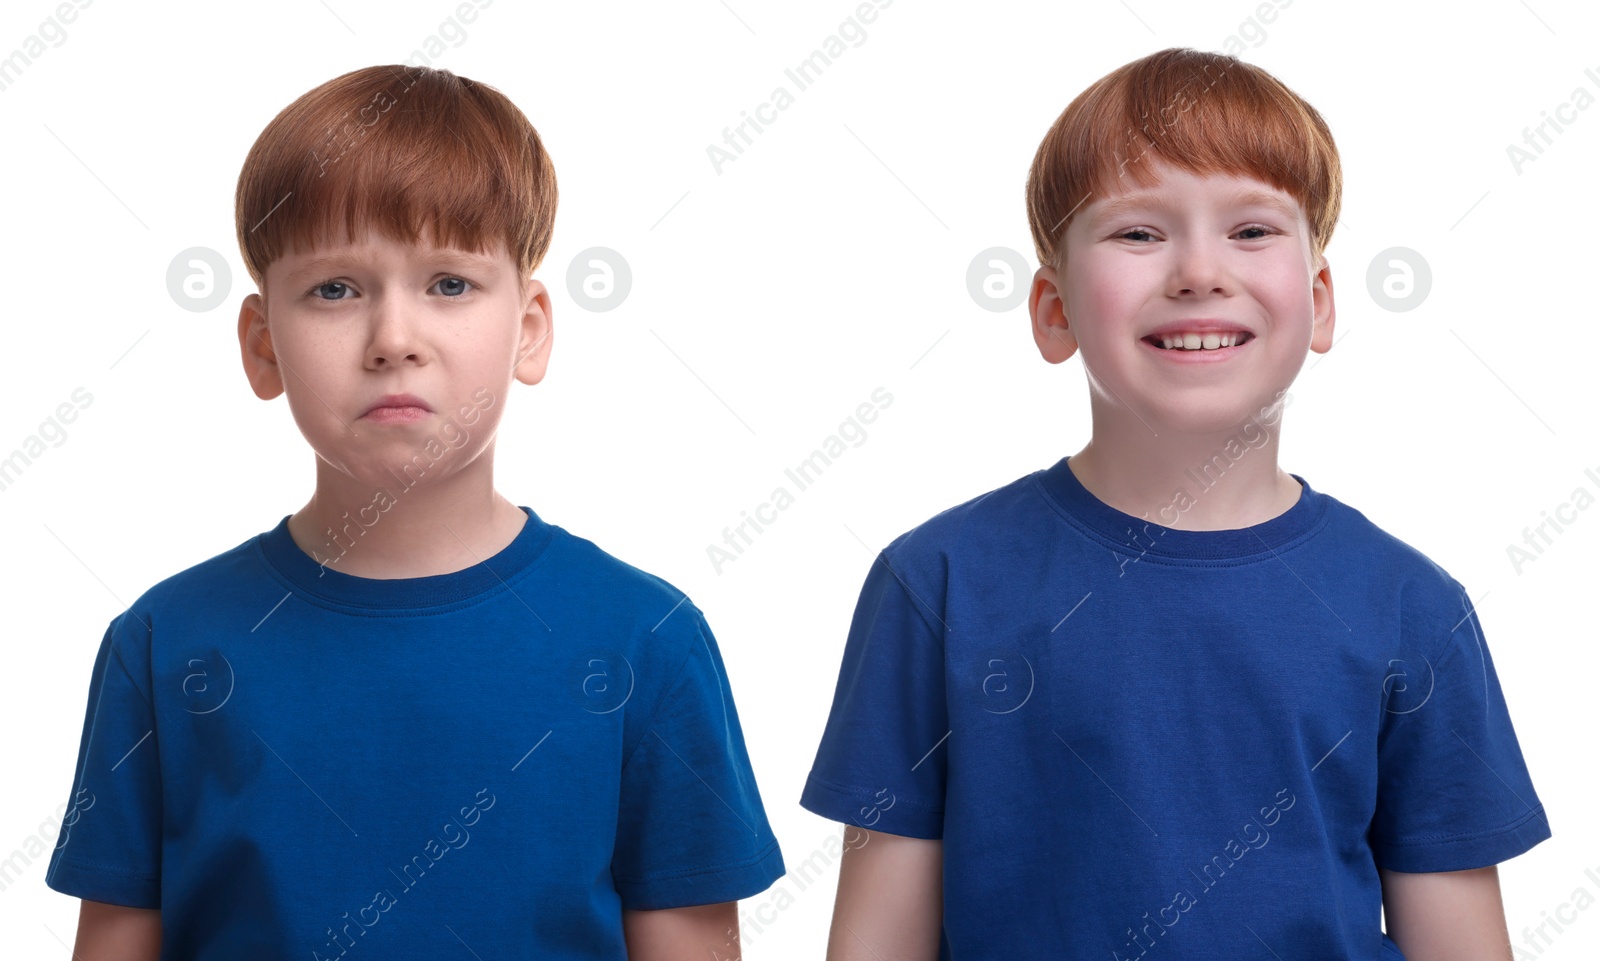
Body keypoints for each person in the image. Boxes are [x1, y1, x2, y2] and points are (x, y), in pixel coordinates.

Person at [799, 47, 1549, 961]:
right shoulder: (937, 585)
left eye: (1252, 230)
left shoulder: (1413, 606)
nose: (1199, 271)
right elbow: (875, 943)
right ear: (1053, 310)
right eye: (1139, 233)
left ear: (1319, 303)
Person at [45, 64, 784, 961]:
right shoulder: (163, 644)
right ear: (260, 343)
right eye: (335, 289)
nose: (394, 337)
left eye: (448, 283)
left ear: (533, 327)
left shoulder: (647, 638)